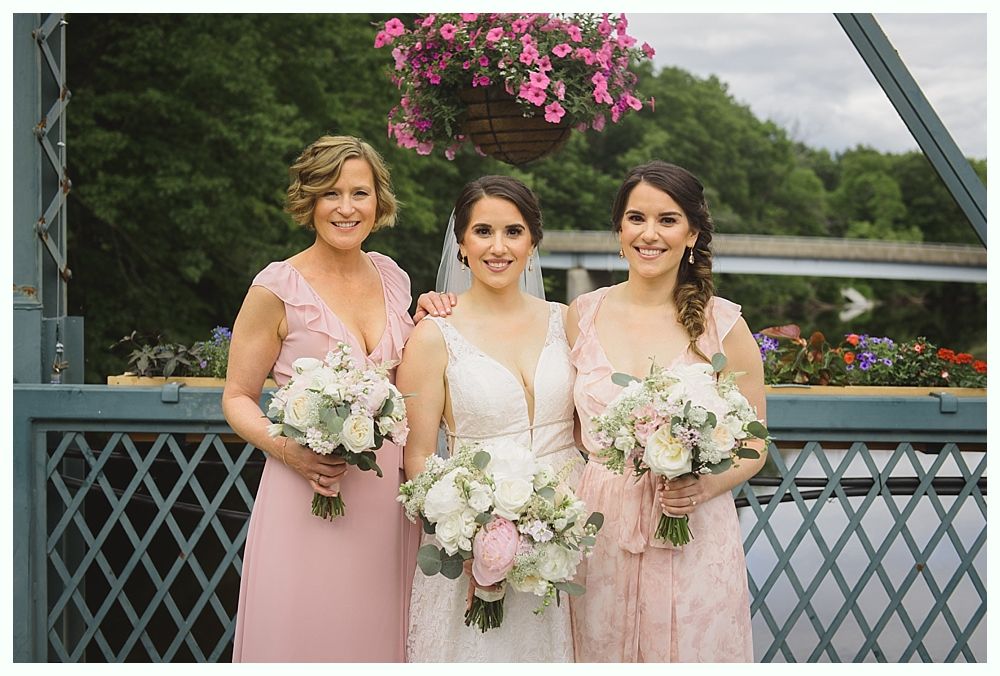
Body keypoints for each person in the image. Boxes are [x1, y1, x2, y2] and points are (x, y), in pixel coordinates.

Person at [223, 135, 425, 662]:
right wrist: (293, 452)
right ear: (308, 200)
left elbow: (410, 375)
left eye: (360, 193)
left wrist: (439, 311)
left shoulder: (393, 276)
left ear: (378, 201)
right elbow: (238, 397)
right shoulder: (275, 288)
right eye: (331, 193)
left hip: (385, 498)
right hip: (306, 492)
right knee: (305, 634)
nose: (346, 207)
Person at [566, 161, 767, 662]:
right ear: (619, 229)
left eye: (668, 220)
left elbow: (755, 442)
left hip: (691, 526)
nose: (649, 234)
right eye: (636, 218)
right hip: (600, 530)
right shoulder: (580, 315)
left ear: (693, 232)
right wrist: (440, 306)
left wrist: (705, 483)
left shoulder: (725, 327)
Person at [397, 176, 584, 662]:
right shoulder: (434, 336)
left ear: (533, 241)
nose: (498, 247)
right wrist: (472, 527)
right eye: (482, 231)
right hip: (479, 540)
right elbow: (416, 454)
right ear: (461, 243)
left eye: (513, 231)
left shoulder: (567, 321)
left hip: (576, 531)